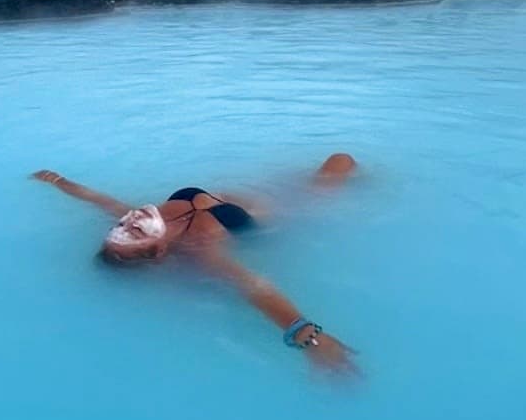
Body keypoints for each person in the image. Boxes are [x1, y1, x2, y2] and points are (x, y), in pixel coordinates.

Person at [31, 154, 359, 371]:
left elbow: (96, 198)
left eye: (121, 226)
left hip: (255, 189)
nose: (130, 220)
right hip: (290, 212)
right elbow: (252, 285)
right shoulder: (200, 248)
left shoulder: (140, 216)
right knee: (341, 161)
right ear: (159, 251)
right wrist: (308, 337)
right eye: (135, 232)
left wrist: (57, 181)